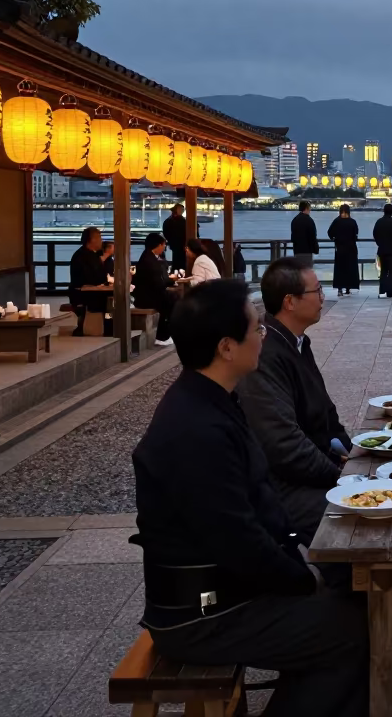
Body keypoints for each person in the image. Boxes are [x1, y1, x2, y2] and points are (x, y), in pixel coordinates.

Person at [131, 280, 368, 717]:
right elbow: (236, 538)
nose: (263, 335)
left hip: (225, 589)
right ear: (226, 347)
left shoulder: (206, 398)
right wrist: (299, 579)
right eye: (256, 328)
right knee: (356, 631)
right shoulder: (195, 430)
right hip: (203, 612)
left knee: (348, 593)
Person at [237, 258, 352, 539]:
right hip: (280, 484)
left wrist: (354, 456)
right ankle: (347, 581)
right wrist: (340, 477)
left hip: (311, 468)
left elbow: (326, 413)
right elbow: (282, 443)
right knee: (357, 521)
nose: (323, 297)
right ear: (290, 301)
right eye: (318, 290)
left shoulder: (297, 341)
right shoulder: (265, 353)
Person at [133, 232, 177, 347]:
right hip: (147, 297)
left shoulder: (150, 257)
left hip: (150, 294)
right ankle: (162, 336)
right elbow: (157, 282)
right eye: (163, 245)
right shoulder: (149, 260)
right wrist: (170, 282)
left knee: (172, 299)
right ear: (158, 245)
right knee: (170, 301)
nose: (164, 248)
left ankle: (164, 334)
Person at [68, 226, 108, 336]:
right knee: (110, 301)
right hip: (82, 294)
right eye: (100, 238)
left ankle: (107, 326)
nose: (101, 241)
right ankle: (105, 327)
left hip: (90, 291)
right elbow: (91, 278)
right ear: (92, 240)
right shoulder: (82, 256)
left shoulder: (91, 255)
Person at [327, 205, 360, 297]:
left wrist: (335, 239)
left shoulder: (337, 221)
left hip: (340, 248)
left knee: (339, 269)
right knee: (350, 268)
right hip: (351, 248)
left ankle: (339, 288)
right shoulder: (352, 222)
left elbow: (330, 232)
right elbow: (356, 234)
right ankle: (348, 288)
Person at [373, 203, 392, 299]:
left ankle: (382, 291)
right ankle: (389, 291)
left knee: (383, 272)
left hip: (382, 250)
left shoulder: (379, 222)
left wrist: (380, 243)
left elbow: (375, 234)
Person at [162, 203, 187, 272]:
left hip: (179, 244)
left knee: (179, 260)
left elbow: (165, 232)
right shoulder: (170, 221)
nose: (182, 211)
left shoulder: (171, 220)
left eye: (182, 209)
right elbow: (166, 232)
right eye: (181, 209)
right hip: (177, 244)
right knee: (178, 260)